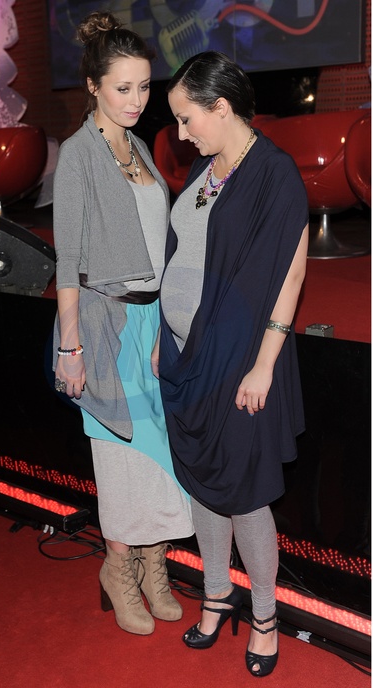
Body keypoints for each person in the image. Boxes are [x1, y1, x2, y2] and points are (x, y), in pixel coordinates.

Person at [157, 51, 309, 677]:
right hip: (187, 358)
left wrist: (264, 365)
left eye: (186, 119)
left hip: (243, 361)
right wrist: (164, 334)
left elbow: (289, 277)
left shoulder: (275, 174)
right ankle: (217, 594)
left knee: (244, 493)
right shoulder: (205, 166)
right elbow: (183, 253)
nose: (181, 134)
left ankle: (266, 617)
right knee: (202, 484)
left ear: (220, 107)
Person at [52, 11, 194, 636]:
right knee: (119, 455)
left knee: (160, 454)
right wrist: (71, 347)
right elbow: (68, 263)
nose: (137, 100)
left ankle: (154, 567)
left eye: (143, 87)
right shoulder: (79, 156)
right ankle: (119, 568)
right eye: (122, 88)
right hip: (104, 324)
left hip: (152, 322)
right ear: (93, 86)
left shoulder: (138, 148)